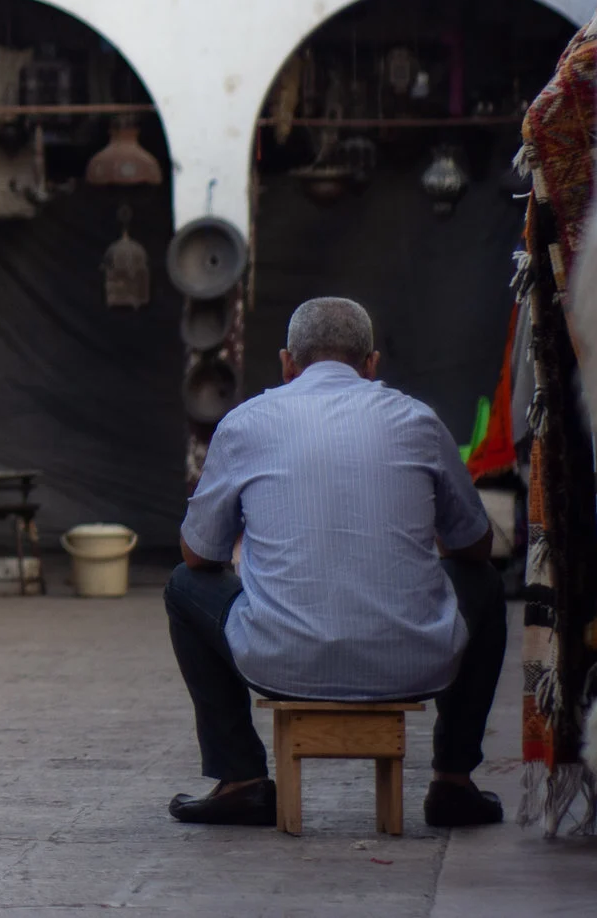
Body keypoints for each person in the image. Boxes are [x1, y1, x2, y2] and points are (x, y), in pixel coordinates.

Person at [164, 297, 505, 828]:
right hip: (414, 660)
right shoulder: (419, 420)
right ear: (371, 365)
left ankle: (241, 778)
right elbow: (477, 547)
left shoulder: (245, 423)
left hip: (280, 661)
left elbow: (197, 554)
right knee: (482, 583)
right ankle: (454, 782)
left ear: (286, 363)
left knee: (184, 586)